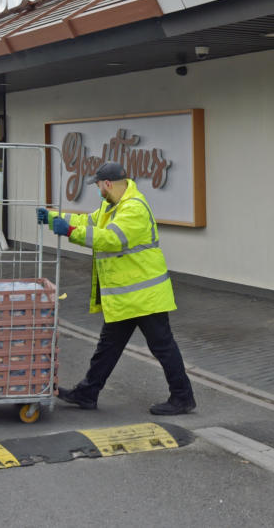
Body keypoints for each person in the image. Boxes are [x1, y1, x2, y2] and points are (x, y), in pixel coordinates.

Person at [38, 161, 196, 415]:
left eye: (98, 185)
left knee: (163, 347)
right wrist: (54, 217)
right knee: (108, 347)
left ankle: (182, 398)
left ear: (107, 184)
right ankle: (87, 393)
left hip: (145, 296)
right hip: (128, 297)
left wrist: (69, 232)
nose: (97, 189)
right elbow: (87, 221)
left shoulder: (133, 209)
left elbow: (111, 239)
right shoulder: (112, 206)